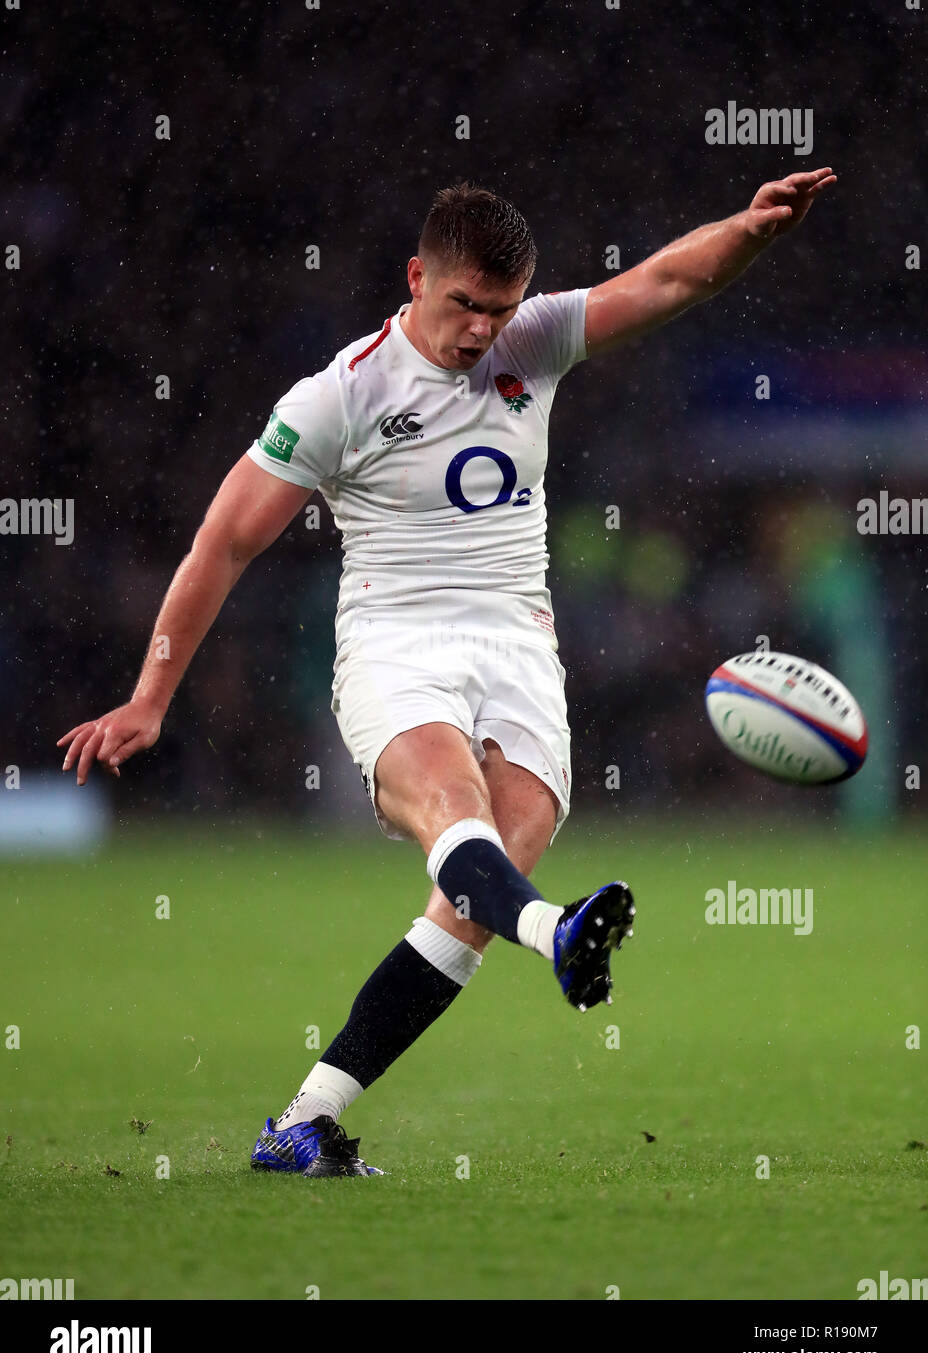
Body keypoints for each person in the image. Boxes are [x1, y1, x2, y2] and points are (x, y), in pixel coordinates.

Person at [58, 170, 837, 1177]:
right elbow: (221, 543)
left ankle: (302, 1121)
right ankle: (557, 931)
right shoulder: (341, 393)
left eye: (499, 309)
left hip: (517, 649)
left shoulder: (535, 341)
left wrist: (751, 227)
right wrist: (151, 696)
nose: (480, 329)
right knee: (458, 817)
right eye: (463, 303)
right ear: (416, 275)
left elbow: (671, 280)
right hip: (398, 642)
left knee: (483, 882)